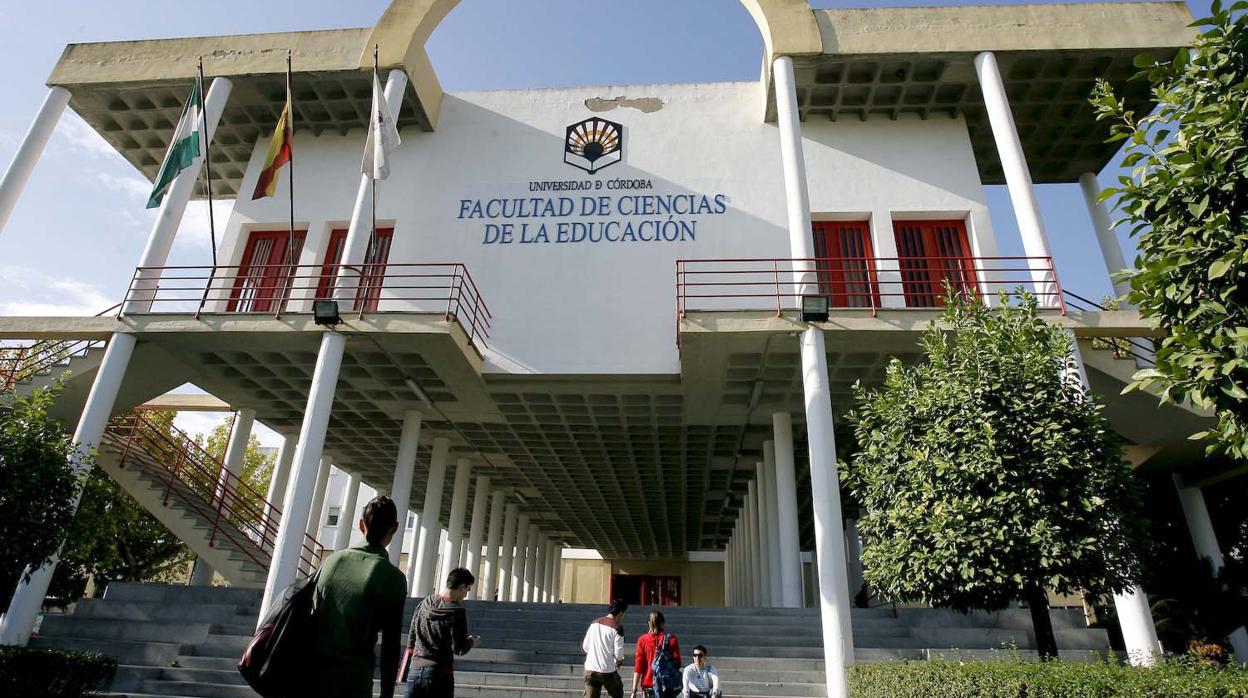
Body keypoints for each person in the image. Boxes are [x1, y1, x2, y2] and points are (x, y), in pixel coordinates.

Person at [308, 495, 408, 698]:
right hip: (354, 681)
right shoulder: (394, 578)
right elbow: (390, 645)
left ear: (361, 524)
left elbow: (311, 617)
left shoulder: (331, 562)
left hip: (314, 677)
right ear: (394, 527)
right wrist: (387, 692)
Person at [404, 567, 482, 697]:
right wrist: (471, 642)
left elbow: (411, 637)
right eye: (467, 590)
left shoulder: (425, 603)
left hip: (414, 671)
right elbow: (459, 648)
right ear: (462, 587)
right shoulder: (457, 612)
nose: (465, 595)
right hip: (439, 673)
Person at [581, 598, 628, 698]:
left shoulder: (594, 623)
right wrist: (619, 662)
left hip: (590, 669)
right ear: (620, 613)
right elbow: (618, 653)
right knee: (618, 692)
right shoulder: (618, 628)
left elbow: (585, 646)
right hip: (607, 671)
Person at [630, 610, 682, 698]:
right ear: (663, 623)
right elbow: (678, 663)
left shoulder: (642, 640)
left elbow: (638, 667)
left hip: (649, 684)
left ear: (649, 624)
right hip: (667, 684)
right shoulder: (672, 639)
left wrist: (634, 691)